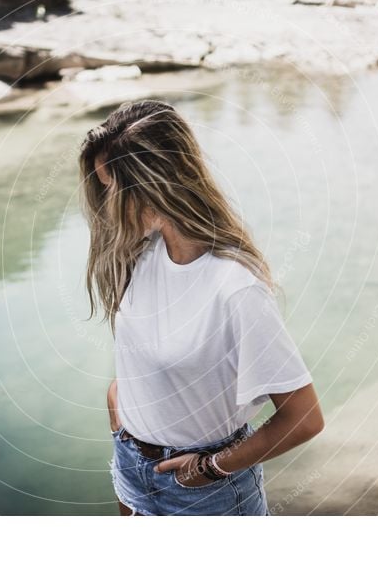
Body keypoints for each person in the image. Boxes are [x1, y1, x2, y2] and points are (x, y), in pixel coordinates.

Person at [79, 100, 324, 516]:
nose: (106, 204)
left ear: (158, 185)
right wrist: (119, 417)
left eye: (113, 187)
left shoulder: (235, 289)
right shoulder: (141, 254)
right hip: (131, 466)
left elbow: (304, 418)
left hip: (200, 492)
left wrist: (210, 468)